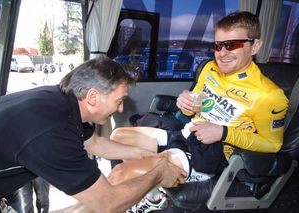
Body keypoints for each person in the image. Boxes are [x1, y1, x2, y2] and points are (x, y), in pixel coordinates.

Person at [107, 11, 289, 212]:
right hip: (186, 133)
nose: (222, 53)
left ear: (255, 45)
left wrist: (223, 132)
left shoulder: (269, 95)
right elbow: (198, 105)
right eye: (218, 45)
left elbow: (273, 144)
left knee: (121, 175)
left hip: (209, 154)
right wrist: (187, 104)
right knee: (117, 138)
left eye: (233, 44)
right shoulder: (210, 68)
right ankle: (153, 197)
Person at [0, 55, 187, 213]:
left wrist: (144, 155)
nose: (122, 109)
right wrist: (158, 173)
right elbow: (108, 203)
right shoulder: (54, 132)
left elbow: (95, 143)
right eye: (119, 100)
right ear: (93, 97)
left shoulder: (62, 102)